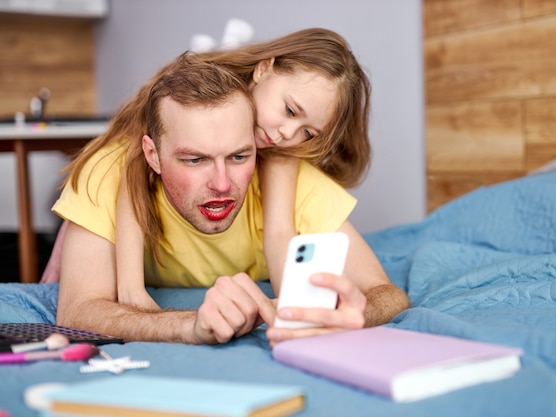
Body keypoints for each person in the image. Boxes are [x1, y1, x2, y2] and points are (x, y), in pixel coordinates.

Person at [52, 32, 410, 346]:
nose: (287, 133)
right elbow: (129, 166)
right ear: (263, 69)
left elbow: (381, 291)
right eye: (288, 109)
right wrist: (131, 292)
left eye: (307, 132)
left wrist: (322, 313)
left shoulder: (285, 161)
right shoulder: (129, 154)